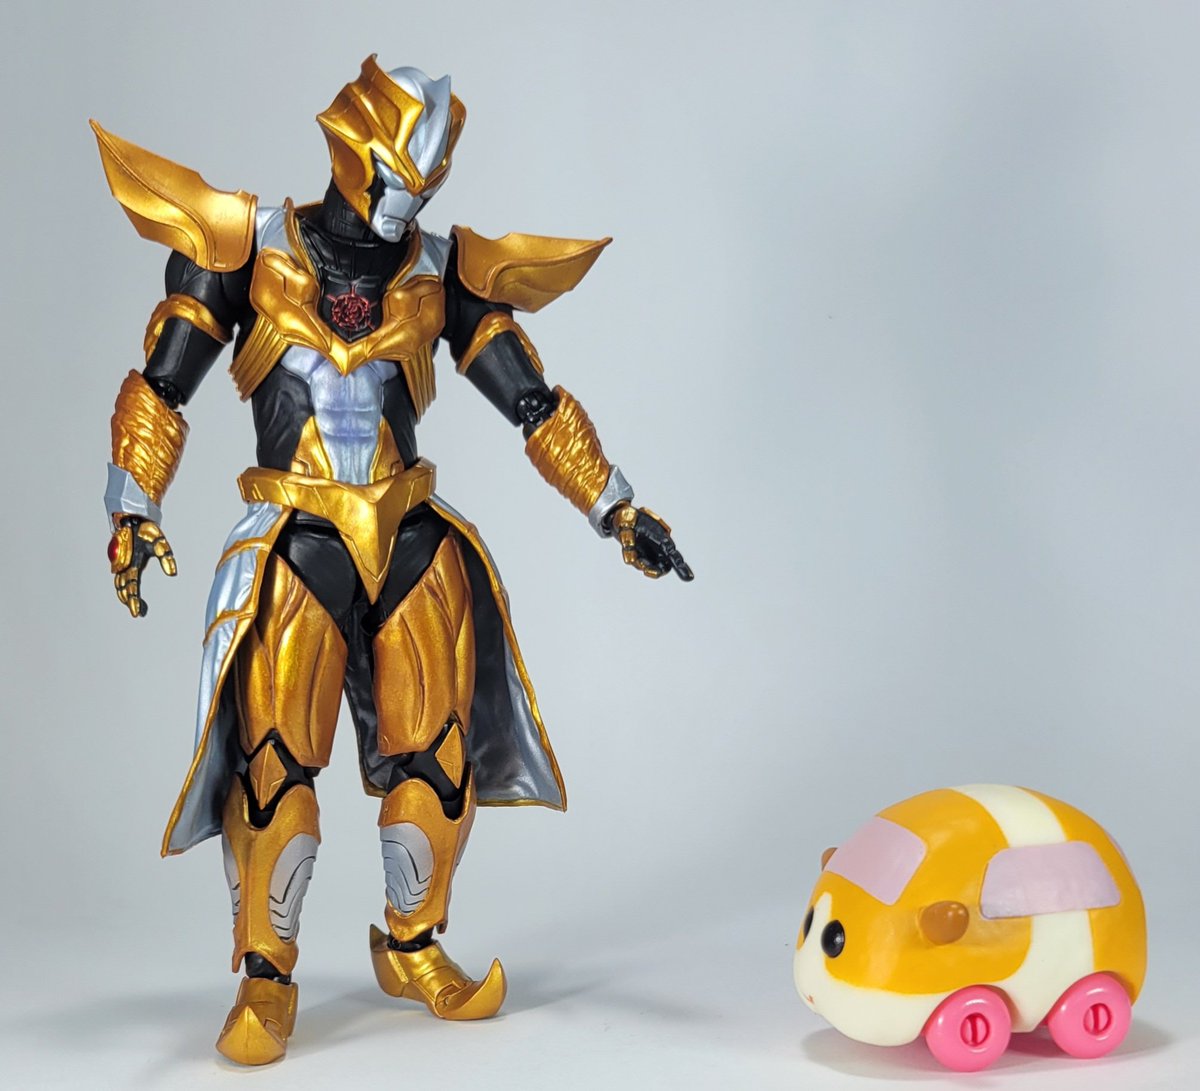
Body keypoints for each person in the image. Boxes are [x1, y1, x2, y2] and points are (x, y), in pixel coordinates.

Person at [94, 56, 692, 1066]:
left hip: (411, 534)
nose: (403, 205)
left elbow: (532, 402)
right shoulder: (245, 248)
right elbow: (163, 382)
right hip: (295, 536)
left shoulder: (444, 272)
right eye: (392, 180)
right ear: (349, 151)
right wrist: (131, 502)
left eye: (422, 186)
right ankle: (266, 975)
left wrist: (615, 504)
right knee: (275, 763)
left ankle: (412, 944)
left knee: (437, 756)